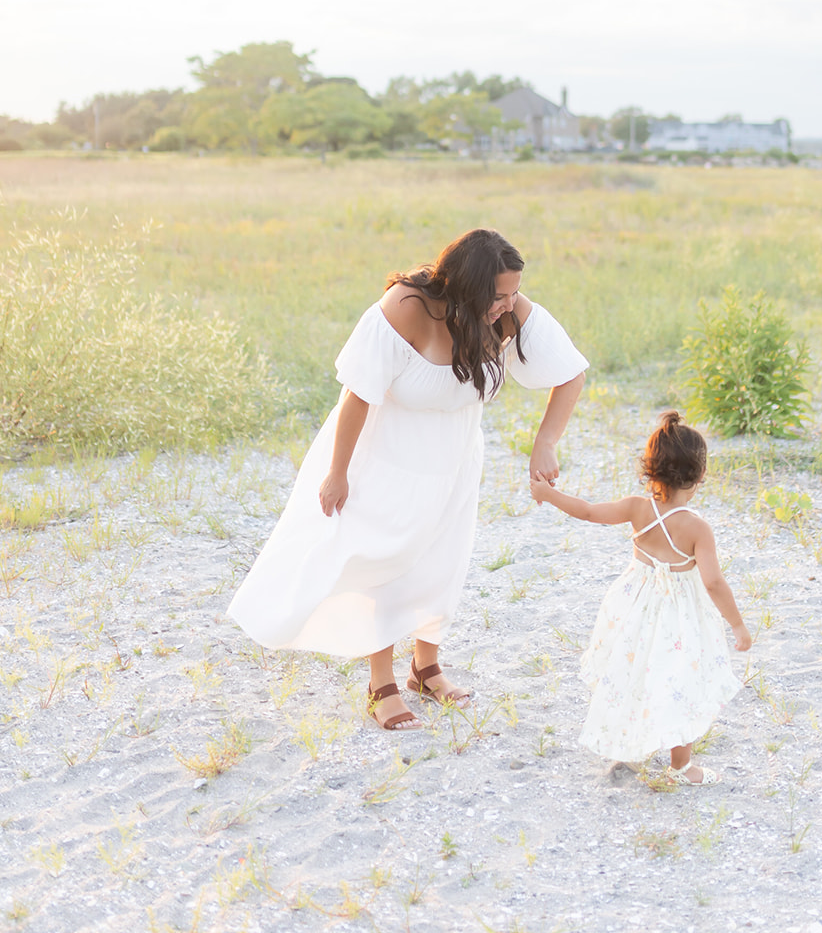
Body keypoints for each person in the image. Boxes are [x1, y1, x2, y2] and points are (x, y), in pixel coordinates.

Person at [227, 228, 587, 732]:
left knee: (441, 563)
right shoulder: (407, 306)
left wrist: (545, 442)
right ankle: (382, 684)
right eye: (498, 294)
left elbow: (571, 372)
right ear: (467, 285)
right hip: (386, 457)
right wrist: (338, 472)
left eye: (513, 292)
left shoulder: (508, 312)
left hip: (454, 459)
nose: (508, 304)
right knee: (384, 565)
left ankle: (426, 667)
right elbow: (358, 393)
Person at [531, 409, 750, 783]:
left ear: (649, 468)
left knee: (633, 673)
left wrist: (549, 495)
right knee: (679, 682)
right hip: (678, 617)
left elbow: (586, 512)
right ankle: (681, 767)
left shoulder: (636, 508)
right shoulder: (697, 528)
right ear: (700, 477)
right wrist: (738, 625)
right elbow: (713, 583)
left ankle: (631, 744)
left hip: (633, 607)